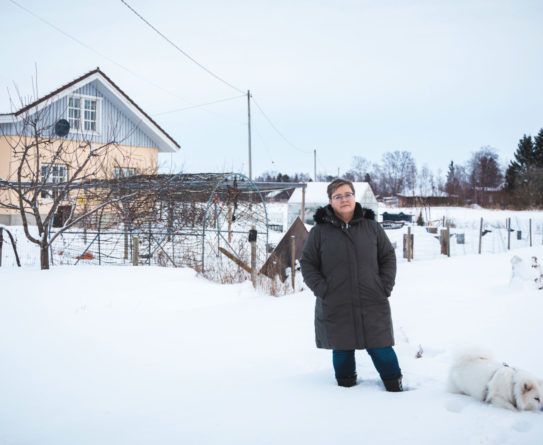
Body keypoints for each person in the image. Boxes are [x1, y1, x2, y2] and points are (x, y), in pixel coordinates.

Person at [300, 178, 403, 391]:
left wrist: (384, 286)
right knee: (342, 350)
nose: (344, 199)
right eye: (338, 196)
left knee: (381, 348)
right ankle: (345, 392)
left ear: (354, 197)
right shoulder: (319, 232)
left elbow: (388, 257)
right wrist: (322, 289)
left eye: (348, 194)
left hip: (372, 299)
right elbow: (307, 263)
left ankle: (395, 387)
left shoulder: (372, 227)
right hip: (336, 302)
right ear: (330, 201)